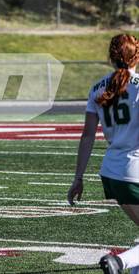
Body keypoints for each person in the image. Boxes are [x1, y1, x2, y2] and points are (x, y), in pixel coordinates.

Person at [67, 34, 139, 274]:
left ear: (110, 57)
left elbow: (87, 136)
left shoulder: (97, 88)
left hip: (111, 172)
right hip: (134, 170)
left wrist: (78, 178)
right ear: (136, 56)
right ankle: (119, 262)